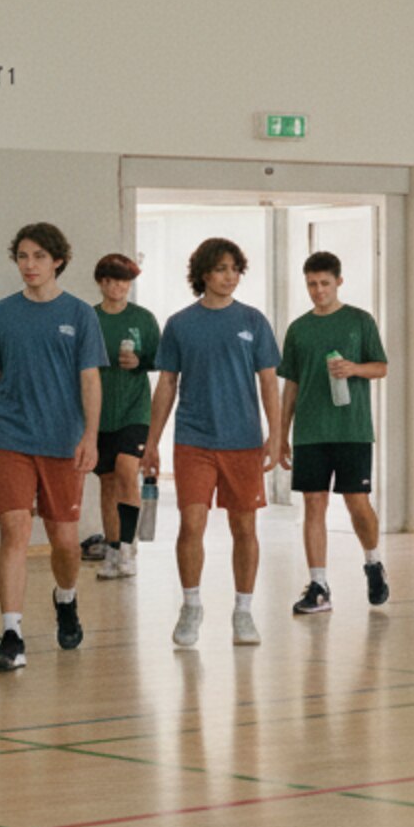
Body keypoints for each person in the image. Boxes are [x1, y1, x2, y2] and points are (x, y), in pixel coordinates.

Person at [0, 223, 106, 673]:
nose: (29, 265)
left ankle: (65, 599)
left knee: (65, 541)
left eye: (39, 257)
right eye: (23, 257)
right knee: (14, 530)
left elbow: (91, 380)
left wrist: (90, 436)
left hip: (62, 441)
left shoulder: (81, 315)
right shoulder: (1, 314)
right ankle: (12, 633)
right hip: (11, 438)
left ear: (58, 261)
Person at [143, 237, 281, 649]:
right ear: (204, 273)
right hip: (194, 440)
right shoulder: (181, 323)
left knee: (244, 526)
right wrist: (152, 442)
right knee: (192, 522)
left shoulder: (253, 321)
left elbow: (269, 382)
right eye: (222, 269)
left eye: (235, 269)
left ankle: (243, 611)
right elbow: (166, 383)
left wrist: (276, 435)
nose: (230, 276)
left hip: (243, 441)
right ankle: (191, 605)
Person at [273, 250, 389, 614]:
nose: (318, 290)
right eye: (311, 284)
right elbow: (290, 384)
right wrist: (281, 434)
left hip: (352, 430)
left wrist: (354, 368)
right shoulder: (298, 329)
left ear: (339, 281)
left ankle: (373, 561)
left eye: (324, 283)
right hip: (310, 432)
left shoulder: (359, 321)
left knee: (357, 503)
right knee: (312, 504)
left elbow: (381, 367)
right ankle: (319, 585)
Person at [90, 253, 159, 582]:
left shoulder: (143, 318)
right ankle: (113, 546)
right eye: (112, 280)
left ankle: (129, 546)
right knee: (106, 481)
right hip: (99, 412)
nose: (118, 287)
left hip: (135, 409)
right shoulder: (88, 319)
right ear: (101, 283)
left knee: (126, 470)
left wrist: (140, 360)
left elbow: (161, 358)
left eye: (124, 281)